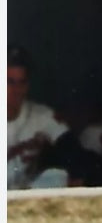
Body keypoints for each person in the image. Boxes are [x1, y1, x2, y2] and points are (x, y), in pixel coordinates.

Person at [7, 46, 90, 189]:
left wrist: (77, 175)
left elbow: (73, 150)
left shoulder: (41, 115)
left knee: (57, 176)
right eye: (9, 82)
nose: (17, 90)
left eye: (22, 82)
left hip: (25, 197)